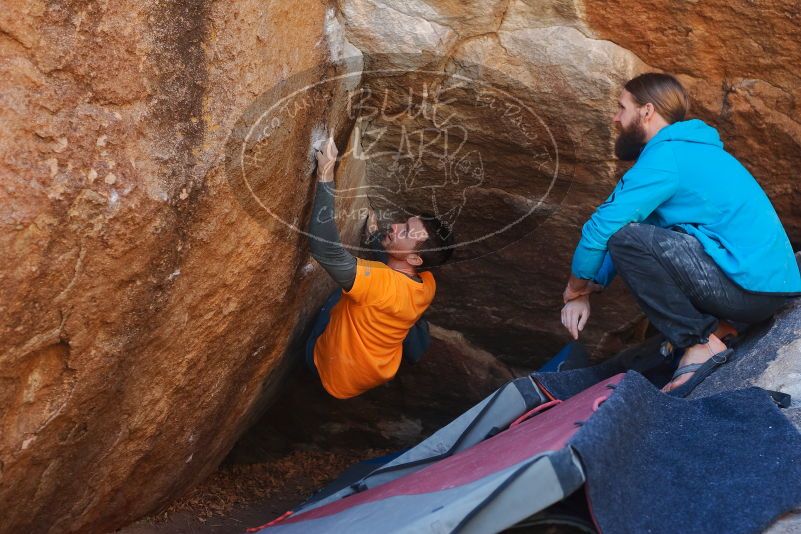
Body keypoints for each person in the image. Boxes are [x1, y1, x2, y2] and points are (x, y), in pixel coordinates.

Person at [560, 72, 801, 392]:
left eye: (621, 108)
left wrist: (575, 292)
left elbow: (604, 228)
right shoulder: (692, 152)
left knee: (624, 239)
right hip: (767, 292)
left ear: (646, 111)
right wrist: (594, 284)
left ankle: (698, 342)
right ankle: (720, 328)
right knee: (638, 236)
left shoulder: (666, 157)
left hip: (748, 292)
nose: (617, 119)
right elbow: (643, 228)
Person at [305, 137, 454, 399]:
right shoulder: (427, 283)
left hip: (335, 374)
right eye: (404, 223)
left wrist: (326, 173)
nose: (395, 226)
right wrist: (375, 238)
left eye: (406, 231)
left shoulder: (379, 284)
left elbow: (325, 250)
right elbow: (392, 274)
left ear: (416, 259)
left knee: (339, 295)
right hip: (378, 369)